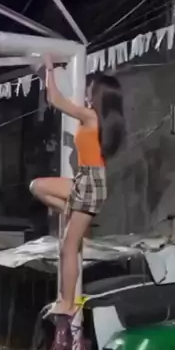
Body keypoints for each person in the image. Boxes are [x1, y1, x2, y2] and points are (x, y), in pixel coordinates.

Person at [30, 55, 125, 318]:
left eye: (90, 90)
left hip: (90, 182)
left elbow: (55, 100)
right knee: (37, 186)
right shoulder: (97, 120)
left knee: (68, 247)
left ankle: (68, 303)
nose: (86, 92)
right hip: (86, 180)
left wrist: (49, 68)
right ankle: (71, 211)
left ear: (98, 96)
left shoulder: (91, 117)